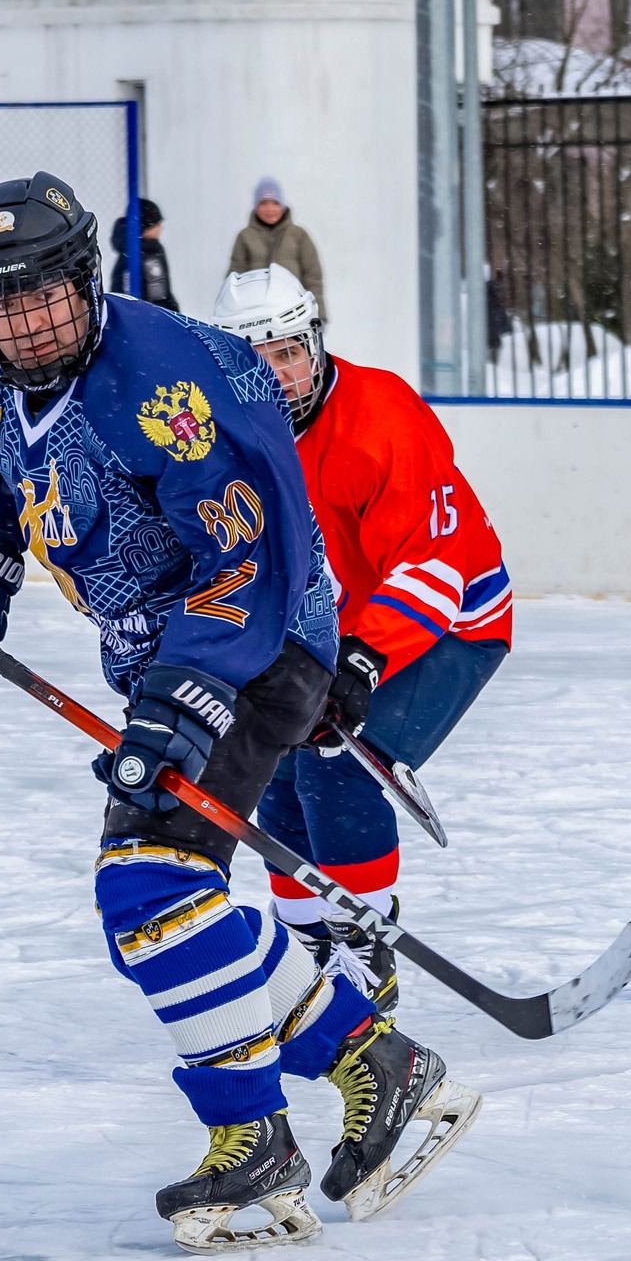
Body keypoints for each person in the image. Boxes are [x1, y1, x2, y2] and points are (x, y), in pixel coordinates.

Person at [0, 171, 481, 1255]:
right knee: (167, 919)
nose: (25, 323)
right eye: (0, 302)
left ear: (87, 281)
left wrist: (191, 690)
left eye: (46, 296)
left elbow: (255, 559)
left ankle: (256, 1131)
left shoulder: (172, 383)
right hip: (159, 658)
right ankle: (374, 1064)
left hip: (262, 647)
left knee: (146, 887)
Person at [209, 266, 511, 1011]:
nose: (277, 375)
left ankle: (363, 949)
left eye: (289, 353)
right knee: (276, 756)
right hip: (332, 628)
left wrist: (363, 661)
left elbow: (431, 563)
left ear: (315, 343)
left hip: (451, 623)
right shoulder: (230, 437)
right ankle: (306, 948)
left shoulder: (382, 415)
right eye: (257, 359)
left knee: (342, 763)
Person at [229, 177, 326, 322]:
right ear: (256, 207)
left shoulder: (299, 235)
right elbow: (233, 281)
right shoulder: (244, 237)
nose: (270, 209)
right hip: (256, 317)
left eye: (275, 203)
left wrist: (319, 314)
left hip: (294, 314)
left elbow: (313, 278)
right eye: (263, 203)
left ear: (282, 205)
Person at [107, 197, 178, 311]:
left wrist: (174, 311)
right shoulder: (131, 254)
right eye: (156, 224)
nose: (161, 228)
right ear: (145, 227)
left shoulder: (156, 249)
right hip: (142, 317)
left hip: (160, 315)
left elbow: (165, 288)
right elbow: (123, 293)